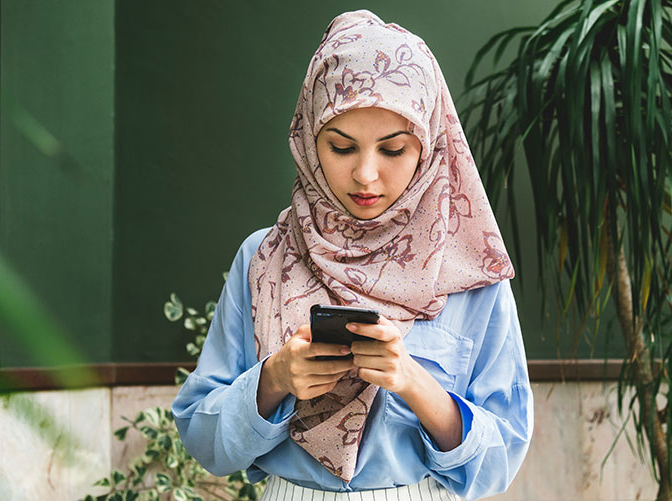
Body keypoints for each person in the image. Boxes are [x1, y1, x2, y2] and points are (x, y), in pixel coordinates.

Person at [172, 9, 533, 501]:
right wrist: (274, 378)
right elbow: (202, 438)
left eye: (393, 150)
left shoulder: (471, 271)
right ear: (307, 140)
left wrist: (413, 382)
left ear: (428, 149)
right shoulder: (264, 257)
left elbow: (499, 465)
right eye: (341, 147)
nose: (366, 175)